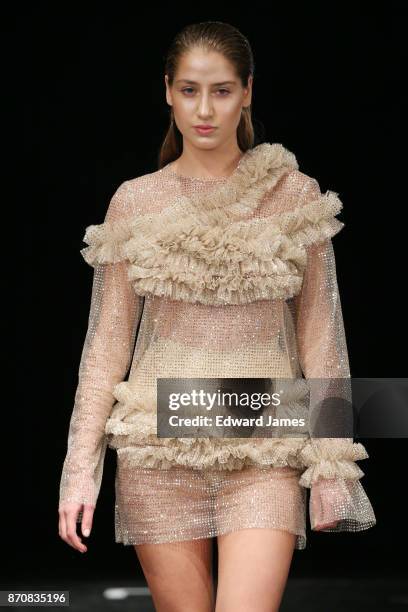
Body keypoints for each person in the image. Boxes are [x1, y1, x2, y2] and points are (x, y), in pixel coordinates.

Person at [58, 21, 376, 612]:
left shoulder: (294, 196)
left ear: (248, 92)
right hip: (158, 450)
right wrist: (81, 471)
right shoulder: (136, 200)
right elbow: (104, 346)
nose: (204, 109)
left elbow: (323, 338)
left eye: (222, 90)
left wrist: (333, 465)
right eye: (189, 90)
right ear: (168, 92)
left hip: (265, 445)